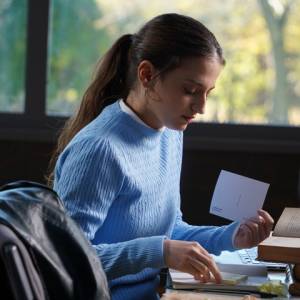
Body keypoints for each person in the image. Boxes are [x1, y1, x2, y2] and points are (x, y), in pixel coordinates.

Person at [48, 13, 274, 300]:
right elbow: (68, 260)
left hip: (158, 292)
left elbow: (170, 229)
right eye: (190, 90)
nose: (201, 106)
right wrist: (160, 251)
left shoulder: (169, 132)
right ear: (146, 75)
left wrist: (231, 237)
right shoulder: (99, 149)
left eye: (208, 92)